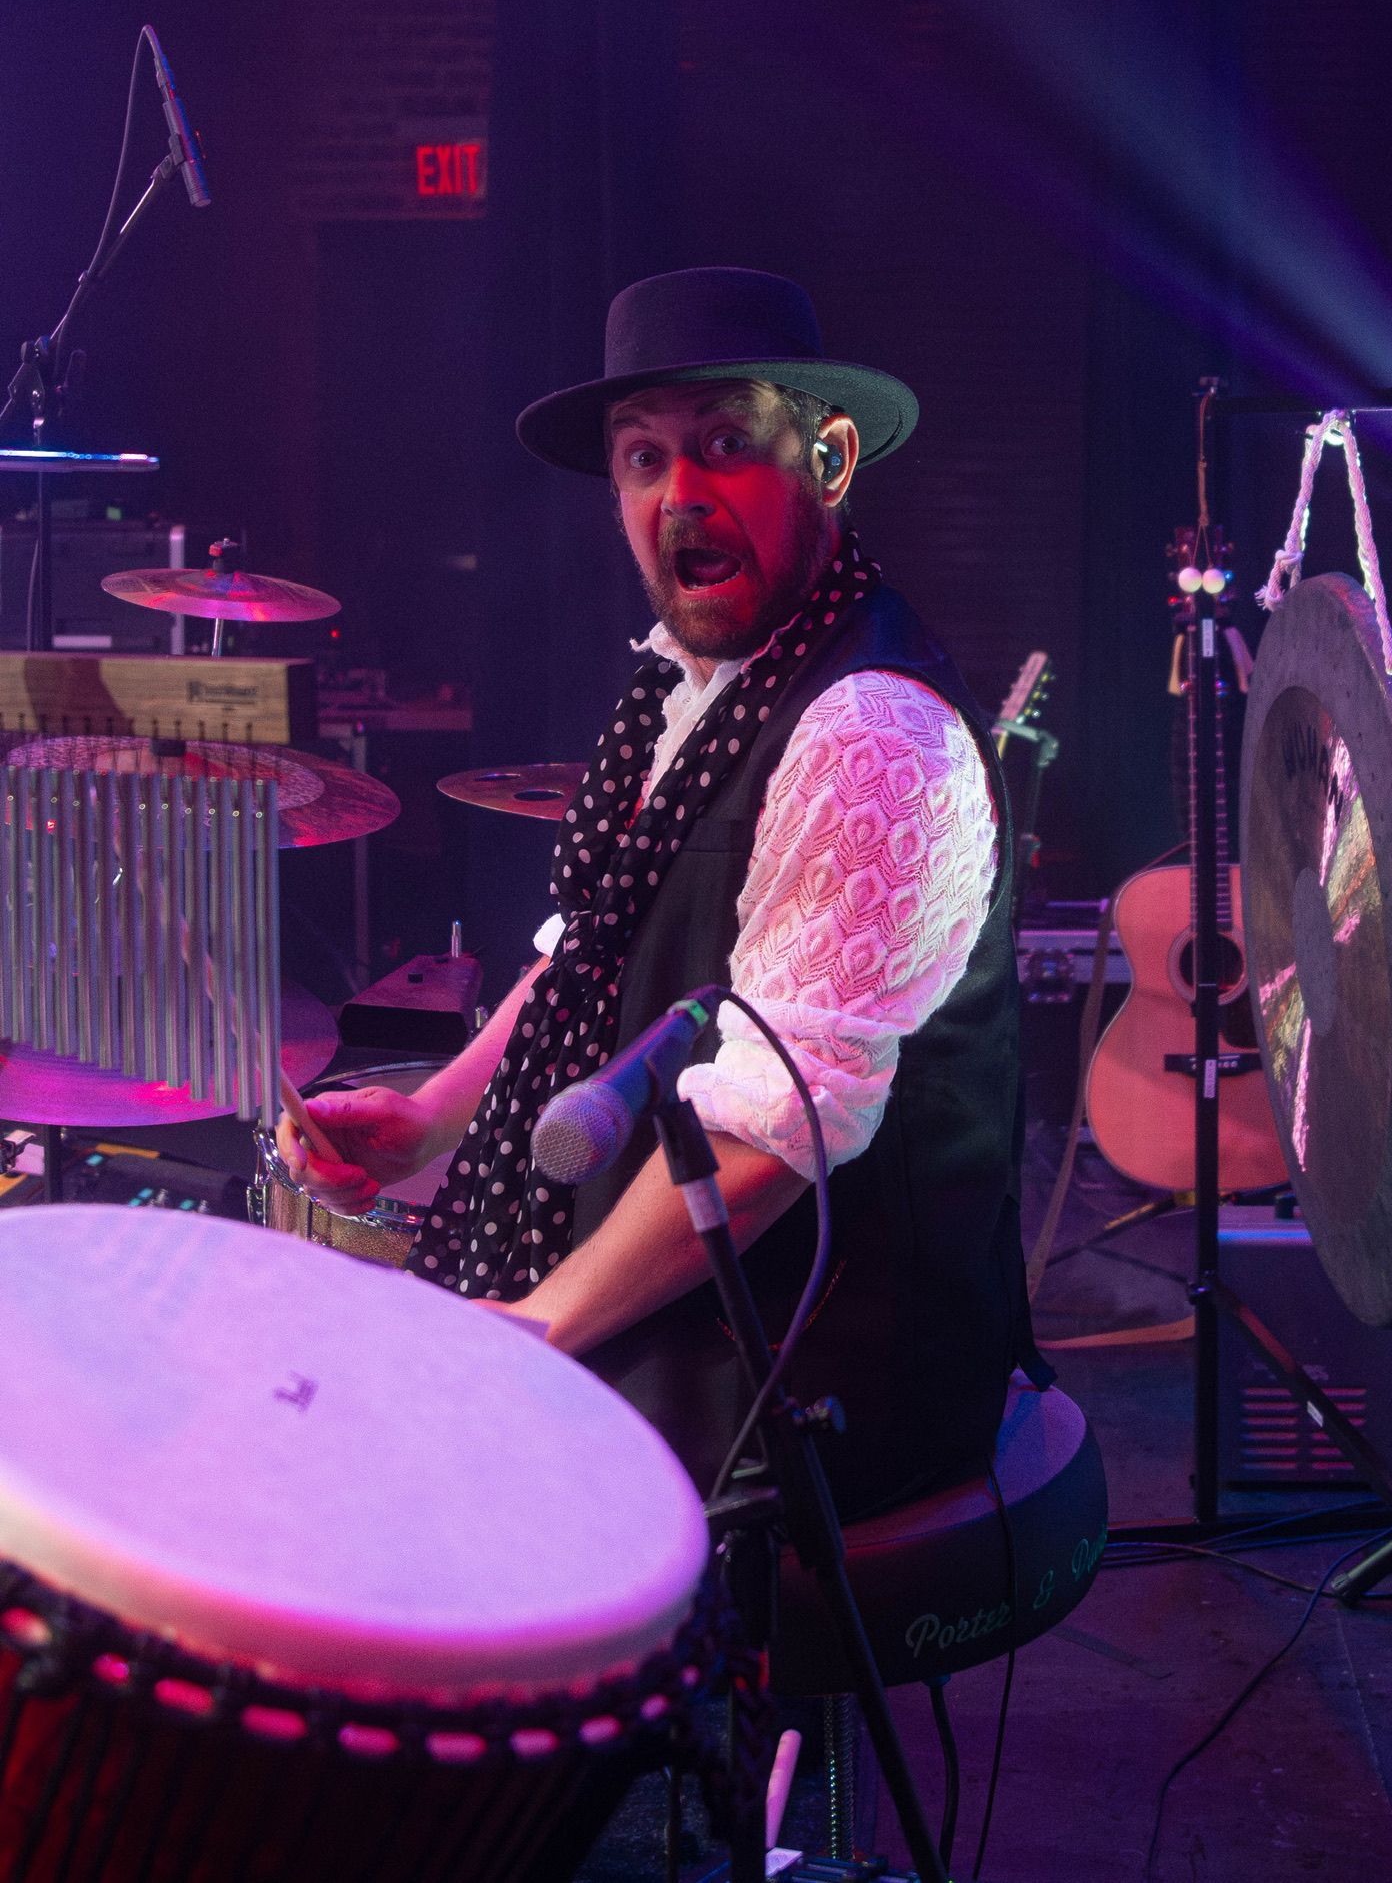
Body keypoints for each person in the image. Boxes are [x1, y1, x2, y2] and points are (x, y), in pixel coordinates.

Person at [278, 267, 1047, 1520]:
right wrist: (431, 1117)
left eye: (728, 445)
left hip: (813, 1367)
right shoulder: (690, 687)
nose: (680, 495)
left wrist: (542, 1325)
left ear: (832, 459)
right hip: (693, 1298)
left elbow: (770, 1132)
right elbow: (592, 957)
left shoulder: (870, 733)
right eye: (644, 460)